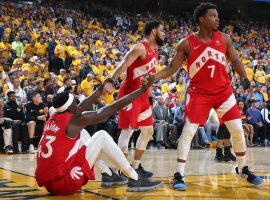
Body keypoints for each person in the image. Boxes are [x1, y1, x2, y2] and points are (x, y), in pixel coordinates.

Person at [145, 2, 263, 190]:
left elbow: (235, 60)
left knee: (238, 130)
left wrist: (245, 79)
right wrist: (153, 77)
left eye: (217, 15)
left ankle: (243, 170)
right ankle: (179, 175)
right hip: (199, 94)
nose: (217, 18)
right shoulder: (187, 43)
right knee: (188, 132)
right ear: (202, 19)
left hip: (223, 92)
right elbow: (171, 68)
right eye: (213, 16)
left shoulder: (224, 39)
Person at [35, 78, 162, 195]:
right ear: (70, 107)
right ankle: (135, 178)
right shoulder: (73, 122)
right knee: (101, 136)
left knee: (83, 134)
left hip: (50, 184)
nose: (77, 103)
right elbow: (113, 108)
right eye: (74, 101)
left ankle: (107, 174)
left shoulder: (54, 116)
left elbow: (81, 106)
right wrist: (142, 90)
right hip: (65, 183)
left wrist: (101, 89)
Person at [111, 21, 165, 177]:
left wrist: (149, 96)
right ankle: (119, 169)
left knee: (147, 131)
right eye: (162, 31)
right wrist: (111, 80)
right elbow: (123, 63)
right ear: (154, 32)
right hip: (129, 93)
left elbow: (147, 78)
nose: (164, 34)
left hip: (142, 94)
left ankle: (135, 167)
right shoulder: (140, 47)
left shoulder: (155, 51)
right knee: (127, 132)